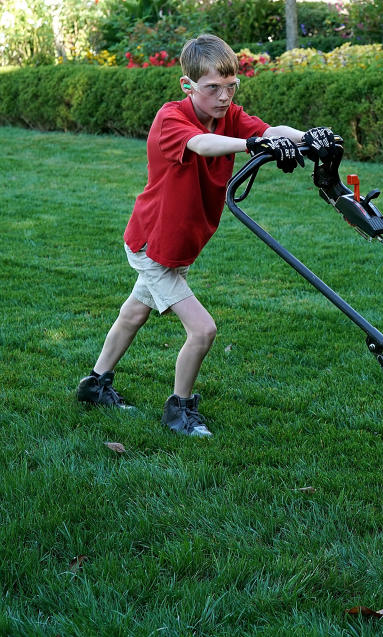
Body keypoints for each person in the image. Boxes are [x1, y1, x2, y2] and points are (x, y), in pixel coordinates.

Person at [76, 33, 337, 437]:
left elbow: (270, 129)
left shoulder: (229, 115)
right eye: (212, 87)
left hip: (176, 245)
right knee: (203, 330)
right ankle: (179, 411)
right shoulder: (172, 118)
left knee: (134, 313)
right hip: (153, 245)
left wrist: (306, 138)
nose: (223, 96)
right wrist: (253, 144)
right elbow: (201, 144)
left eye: (230, 86)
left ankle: (94, 384)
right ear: (188, 85)